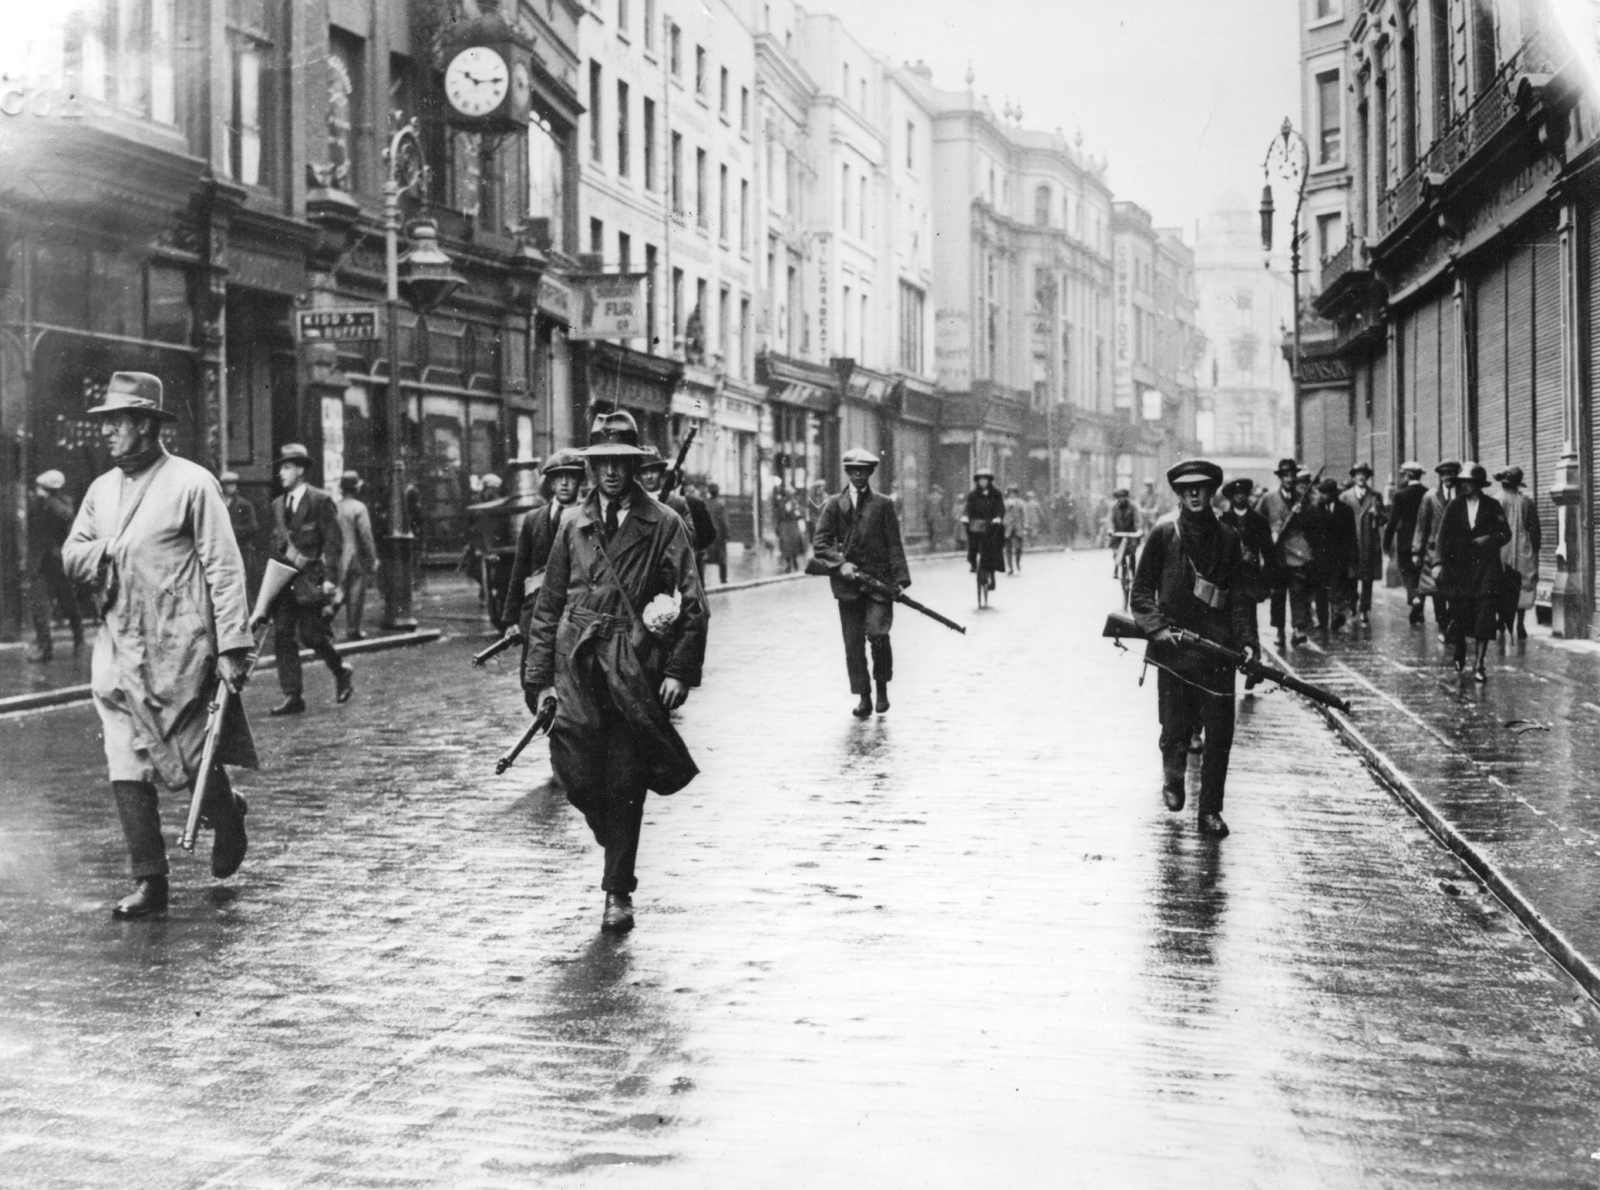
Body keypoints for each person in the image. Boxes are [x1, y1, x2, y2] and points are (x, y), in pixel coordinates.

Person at [61, 372, 254, 919]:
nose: (108, 434)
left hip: (180, 645)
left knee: (192, 755)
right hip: (119, 644)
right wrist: (107, 549)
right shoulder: (100, 490)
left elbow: (224, 566)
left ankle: (227, 811)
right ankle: (151, 881)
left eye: (117, 423)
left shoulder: (192, 484)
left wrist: (232, 645)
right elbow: (72, 553)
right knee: (124, 757)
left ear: (145, 424)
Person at [523, 411, 709, 934]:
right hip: (576, 665)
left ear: (634, 466)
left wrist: (678, 670)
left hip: (632, 666)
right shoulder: (571, 523)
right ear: (591, 466)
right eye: (602, 462)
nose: (610, 472)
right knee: (578, 778)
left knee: (626, 780)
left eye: (620, 463)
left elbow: (693, 602)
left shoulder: (664, 523)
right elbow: (549, 603)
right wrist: (539, 680)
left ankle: (617, 893)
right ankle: (618, 846)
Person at [1129, 459, 1259, 840]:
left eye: (1202, 487)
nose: (1195, 494)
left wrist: (1249, 642)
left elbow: (1240, 598)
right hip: (1174, 650)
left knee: (1219, 735)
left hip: (1218, 653)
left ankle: (1211, 811)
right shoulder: (1163, 534)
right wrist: (1156, 629)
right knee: (1174, 729)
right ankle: (1173, 776)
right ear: (1179, 494)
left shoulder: (1228, 537)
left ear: (1212, 490)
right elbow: (1140, 592)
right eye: (1188, 489)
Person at [811, 448, 912, 718]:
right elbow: (820, 544)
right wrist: (840, 563)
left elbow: (894, 544)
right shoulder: (834, 504)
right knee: (853, 644)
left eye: (863, 471)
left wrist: (900, 579)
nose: (858, 475)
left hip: (879, 582)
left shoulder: (883, 504)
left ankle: (881, 689)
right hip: (848, 587)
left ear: (870, 473)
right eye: (853, 470)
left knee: (879, 636)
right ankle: (864, 697)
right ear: (847, 472)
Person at [262, 443, 352, 716]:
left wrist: (331, 580)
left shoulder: (319, 500)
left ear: (300, 470)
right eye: (281, 468)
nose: (281, 473)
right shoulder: (277, 505)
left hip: (311, 580)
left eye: (287, 467)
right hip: (285, 583)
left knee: (312, 636)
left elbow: (333, 543)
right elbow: (275, 544)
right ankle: (293, 695)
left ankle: (341, 669)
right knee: (283, 635)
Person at [502, 448, 587, 663]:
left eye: (571, 477)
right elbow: (520, 570)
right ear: (550, 483)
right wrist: (511, 618)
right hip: (536, 611)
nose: (565, 483)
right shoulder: (533, 520)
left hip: (575, 611)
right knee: (535, 673)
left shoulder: (590, 519)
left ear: (580, 482)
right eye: (559, 477)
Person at [1438, 463, 1511, 682]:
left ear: (1478, 484)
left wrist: (1488, 539)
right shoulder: (1454, 507)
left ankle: (1479, 664)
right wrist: (1437, 564)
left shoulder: (1492, 505)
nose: (1464, 486)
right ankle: (1460, 649)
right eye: (1462, 483)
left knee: (1485, 615)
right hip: (1460, 570)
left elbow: (1505, 533)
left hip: (1487, 568)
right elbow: (1442, 538)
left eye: (1469, 482)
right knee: (1460, 613)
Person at [26, 469, 83, 663]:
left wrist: (48, 503)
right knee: (39, 606)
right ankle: (45, 648)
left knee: (68, 603)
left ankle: (79, 638)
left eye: (41, 488)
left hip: (58, 564)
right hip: (40, 564)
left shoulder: (60, 505)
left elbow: (69, 522)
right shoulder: (38, 504)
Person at [1258, 458, 1315, 649]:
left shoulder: (1303, 498)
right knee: (1278, 595)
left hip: (1297, 552)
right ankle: (1280, 631)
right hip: (1276, 554)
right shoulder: (1268, 499)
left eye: (1292, 475)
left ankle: (1298, 628)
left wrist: (1301, 513)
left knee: (1298, 590)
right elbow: (1256, 521)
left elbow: (1312, 525)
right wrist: (1269, 533)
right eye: (1286, 476)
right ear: (1280, 478)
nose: (1290, 479)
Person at [1412, 459, 1460, 642]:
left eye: (1452, 473)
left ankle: (1451, 623)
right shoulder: (1430, 497)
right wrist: (1416, 551)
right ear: (1440, 477)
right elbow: (1421, 526)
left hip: (1457, 554)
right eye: (1445, 474)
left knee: (1455, 592)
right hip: (1433, 553)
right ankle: (1442, 627)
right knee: (1437, 593)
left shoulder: (1462, 495)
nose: (1448, 477)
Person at [1495, 466, 1541, 641]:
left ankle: (1500, 620)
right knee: (1522, 584)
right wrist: (1534, 550)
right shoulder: (1526, 501)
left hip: (1501, 549)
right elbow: (1535, 529)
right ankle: (1520, 623)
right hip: (1523, 549)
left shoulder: (1495, 499)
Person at [1308, 476, 1357, 632]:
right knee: (1320, 592)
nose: (1322, 495)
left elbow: (1351, 536)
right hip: (1319, 558)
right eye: (1321, 492)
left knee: (1336, 591)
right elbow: (1307, 533)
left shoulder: (1345, 510)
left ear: (1333, 493)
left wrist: (1353, 558)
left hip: (1338, 558)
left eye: (1326, 492)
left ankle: (1336, 617)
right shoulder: (1313, 510)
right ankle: (1322, 622)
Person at [335, 471, 379, 640]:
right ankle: (353, 629)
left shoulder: (334, 506)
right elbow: (366, 536)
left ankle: (325, 620)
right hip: (355, 555)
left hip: (337, 555)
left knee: (338, 590)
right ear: (357, 488)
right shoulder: (359, 507)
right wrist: (373, 559)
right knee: (356, 592)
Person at [1384, 461, 1429, 626]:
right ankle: (1420, 611)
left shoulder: (1401, 494)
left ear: (1407, 475)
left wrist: (1386, 543)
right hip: (1423, 540)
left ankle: (1414, 599)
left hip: (1405, 540)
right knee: (1420, 574)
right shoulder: (1427, 493)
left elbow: (1392, 521)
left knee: (1407, 573)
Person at [1341, 462, 1386, 626]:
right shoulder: (1345, 497)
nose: (1360, 477)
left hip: (1369, 543)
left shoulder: (1375, 496)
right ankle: (1352, 602)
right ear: (1353, 477)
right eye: (1357, 474)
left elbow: (1383, 520)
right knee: (1351, 578)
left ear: (1367, 477)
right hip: (1351, 542)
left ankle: (1364, 610)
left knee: (1367, 579)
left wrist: (1378, 512)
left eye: (1363, 474)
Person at [1218, 477, 1271, 601]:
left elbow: (1268, 552)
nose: (1239, 496)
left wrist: (1267, 581)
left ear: (1247, 494)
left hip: (1252, 577)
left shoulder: (1260, 521)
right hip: (1231, 578)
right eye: (1236, 493)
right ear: (1230, 496)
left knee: (1251, 616)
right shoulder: (1223, 521)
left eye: (1242, 492)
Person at [221, 470, 262, 606]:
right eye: (227, 484)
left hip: (243, 550)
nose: (231, 487)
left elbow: (253, 527)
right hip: (224, 552)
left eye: (233, 484)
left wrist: (230, 531)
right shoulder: (218, 504)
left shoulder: (244, 505)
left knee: (245, 585)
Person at [963, 468, 1007, 585]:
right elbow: (967, 508)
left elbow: (1000, 508)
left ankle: (992, 575)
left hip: (991, 524)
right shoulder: (972, 495)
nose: (983, 482)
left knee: (993, 546)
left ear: (989, 481)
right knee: (972, 541)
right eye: (980, 480)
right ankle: (973, 562)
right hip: (977, 524)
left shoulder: (996, 494)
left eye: (985, 480)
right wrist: (966, 517)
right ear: (977, 481)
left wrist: (998, 517)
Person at [1107, 487, 1144, 578]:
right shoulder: (1113, 507)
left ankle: (1134, 573)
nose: (1121, 499)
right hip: (1117, 533)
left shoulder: (1133, 506)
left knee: (1132, 552)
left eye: (1123, 497)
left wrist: (1138, 528)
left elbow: (1137, 518)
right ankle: (1116, 568)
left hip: (1131, 532)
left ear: (1126, 497)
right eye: (1119, 497)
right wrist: (1111, 529)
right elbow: (1110, 519)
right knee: (1117, 552)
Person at [702, 482, 731, 585]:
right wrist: (727, 534)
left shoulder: (705, 503)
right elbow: (724, 520)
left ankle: (702, 580)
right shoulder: (720, 504)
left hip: (707, 534)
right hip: (719, 535)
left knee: (705, 557)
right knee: (721, 558)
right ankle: (723, 579)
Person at [774, 479, 805, 572]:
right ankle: (788, 564)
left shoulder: (795, 503)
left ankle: (794, 560)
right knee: (785, 544)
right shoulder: (782, 503)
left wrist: (796, 512)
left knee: (795, 543)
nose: (791, 496)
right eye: (789, 494)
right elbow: (780, 515)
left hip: (793, 525)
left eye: (792, 495)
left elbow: (799, 514)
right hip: (785, 526)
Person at [1003, 484, 1027, 574]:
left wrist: (1024, 526)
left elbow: (1025, 515)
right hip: (1007, 528)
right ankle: (1010, 567)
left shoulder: (1020, 503)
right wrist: (1004, 523)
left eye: (1014, 493)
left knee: (1018, 548)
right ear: (1008, 494)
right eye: (1010, 493)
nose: (1012, 495)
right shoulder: (1004, 503)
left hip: (1018, 528)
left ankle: (1017, 563)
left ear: (1016, 494)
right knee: (1008, 549)